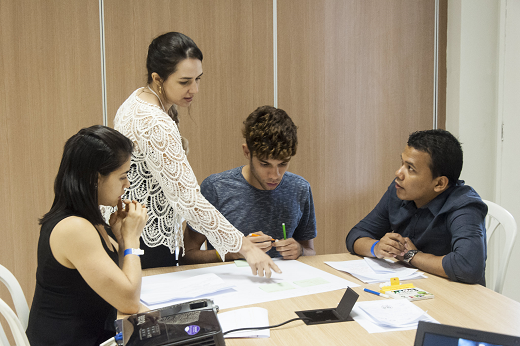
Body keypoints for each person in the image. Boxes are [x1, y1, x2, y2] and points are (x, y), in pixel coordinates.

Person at [114, 32, 280, 277]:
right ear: (158, 78)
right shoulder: (153, 121)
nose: (194, 89)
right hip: (145, 239)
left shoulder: (138, 99)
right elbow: (189, 199)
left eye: (197, 79)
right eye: (184, 82)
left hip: (130, 229)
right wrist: (244, 246)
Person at [26, 125, 148, 345]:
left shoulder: (87, 219)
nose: (127, 185)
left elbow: (121, 284)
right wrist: (132, 240)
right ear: (95, 178)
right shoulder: (74, 228)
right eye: (121, 177)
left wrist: (121, 240)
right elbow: (129, 301)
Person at [345, 129, 487, 285]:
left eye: (410, 168)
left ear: (439, 183)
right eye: (402, 164)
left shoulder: (464, 206)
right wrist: (377, 247)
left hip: (456, 296)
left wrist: (411, 255)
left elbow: (468, 267)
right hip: (413, 286)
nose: (398, 173)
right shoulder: (399, 190)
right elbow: (356, 235)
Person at [181, 106, 317, 264]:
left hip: (283, 283)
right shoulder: (216, 188)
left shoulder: (300, 189)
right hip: (232, 284)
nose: (275, 175)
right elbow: (187, 254)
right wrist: (235, 252)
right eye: (265, 164)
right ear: (247, 152)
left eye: (283, 164)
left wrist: (300, 251)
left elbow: (310, 251)